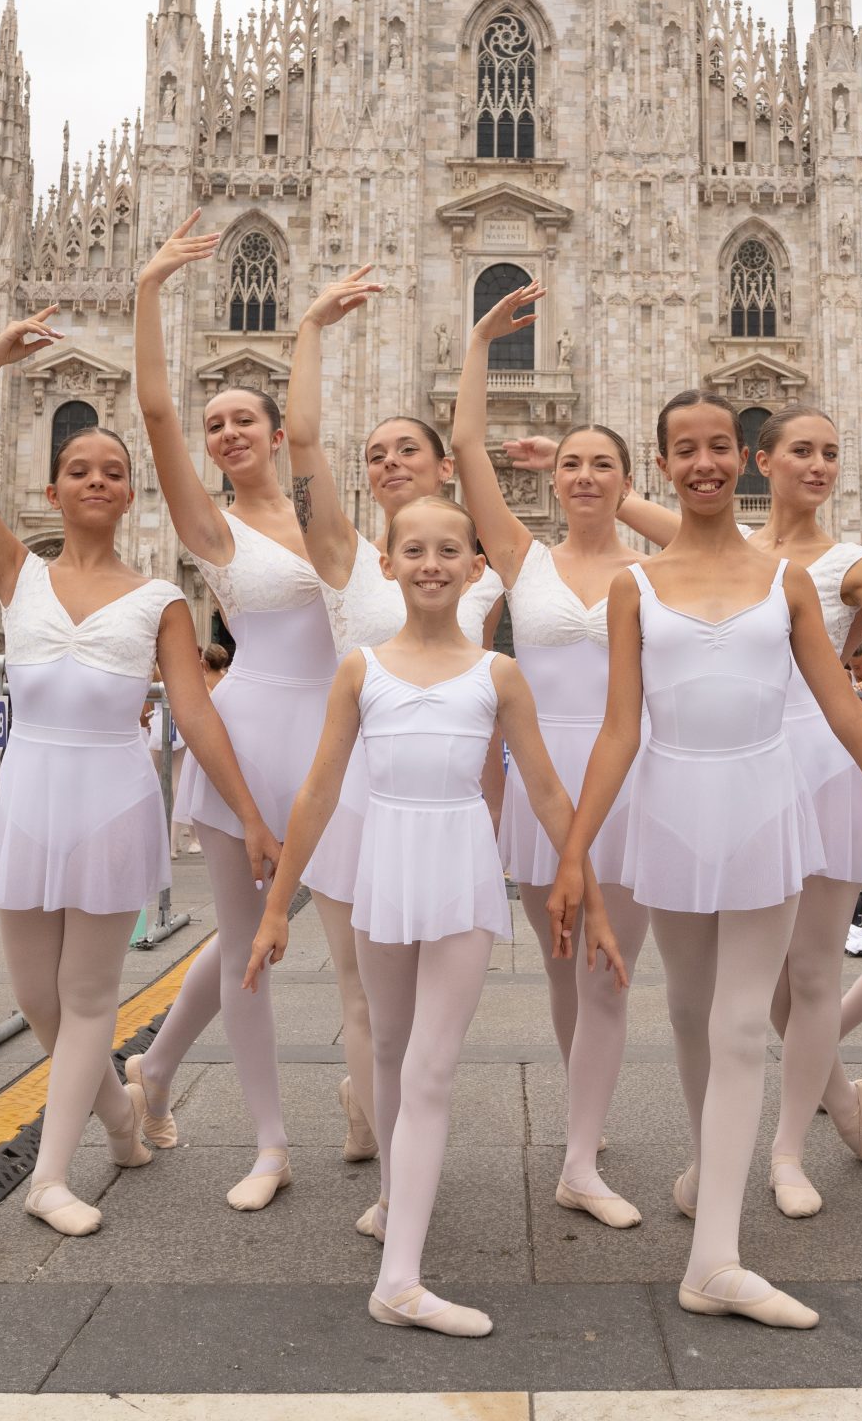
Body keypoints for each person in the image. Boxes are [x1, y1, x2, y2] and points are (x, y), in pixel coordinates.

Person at [547, 389, 862, 1331]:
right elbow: (619, 731)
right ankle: (712, 1183)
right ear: (664, 466)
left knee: (741, 1025)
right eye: (683, 449)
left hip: (764, 804)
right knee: (690, 1015)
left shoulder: (787, 583)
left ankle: (717, 1259)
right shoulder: (634, 584)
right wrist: (576, 853)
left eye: (717, 448)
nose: (703, 463)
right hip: (671, 805)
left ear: (741, 460)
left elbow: (846, 710)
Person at [251, 494, 621, 1335]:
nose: (429, 563)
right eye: (413, 549)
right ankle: (395, 1209)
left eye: (447, 550)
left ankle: (400, 1277)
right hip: (385, 861)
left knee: (430, 1066)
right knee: (387, 1047)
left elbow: (549, 792)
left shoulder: (499, 675)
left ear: (474, 569)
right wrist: (277, 910)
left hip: (458, 868)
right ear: (388, 563)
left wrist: (590, 899)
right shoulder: (361, 669)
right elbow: (316, 792)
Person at [0, 310, 259, 1235]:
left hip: (114, 798)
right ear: (55, 485)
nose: (95, 482)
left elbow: (194, 711)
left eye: (111, 474)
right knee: (35, 997)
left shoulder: (160, 598)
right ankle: (120, 1114)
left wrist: (249, 815)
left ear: (131, 495)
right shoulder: (19, 574)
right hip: (32, 794)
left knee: (87, 998)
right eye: (79, 469)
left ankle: (48, 1176)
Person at [287, 266, 503, 1167]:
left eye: (405, 452)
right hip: (360, 808)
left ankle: (395, 1124)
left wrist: (481, 347)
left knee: (435, 1010)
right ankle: (381, 1142)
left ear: (445, 467)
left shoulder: (483, 569)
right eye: (374, 456)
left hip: (448, 809)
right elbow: (301, 447)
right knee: (366, 1000)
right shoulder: (343, 556)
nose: (387, 465)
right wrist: (308, 329)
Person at [126, 215, 314, 1210]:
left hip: (332, 747)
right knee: (249, 949)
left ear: (280, 434)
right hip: (247, 743)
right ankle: (271, 1145)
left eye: (246, 420)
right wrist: (151, 291)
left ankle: (152, 1075)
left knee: (281, 932)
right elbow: (155, 415)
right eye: (217, 426)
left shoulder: (333, 516)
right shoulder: (215, 526)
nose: (228, 432)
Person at [451, 294, 653, 1223]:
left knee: (610, 972)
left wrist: (619, 494)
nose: (581, 478)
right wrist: (484, 344)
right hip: (542, 784)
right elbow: (462, 453)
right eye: (570, 465)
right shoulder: (521, 559)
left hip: (629, 779)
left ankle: (578, 1160)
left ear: (625, 479)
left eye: (600, 467)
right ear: (546, 477)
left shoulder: (655, 572)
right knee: (565, 964)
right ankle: (587, 1122)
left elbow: (711, 530)